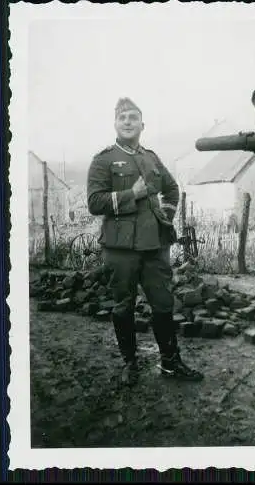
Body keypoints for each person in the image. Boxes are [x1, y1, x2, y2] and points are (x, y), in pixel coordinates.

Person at [87, 97, 204, 386]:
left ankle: (170, 362)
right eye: (122, 117)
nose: (128, 122)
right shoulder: (103, 159)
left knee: (163, 303)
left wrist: (165, 216)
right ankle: (130, 363)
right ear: (115, 123)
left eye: (133, 117)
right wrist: (133, 195)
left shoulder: (151, 158)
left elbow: (172, 189)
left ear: (142, 124)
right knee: (123, 306)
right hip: (120, 249)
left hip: (155, 246)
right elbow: (93, 202)